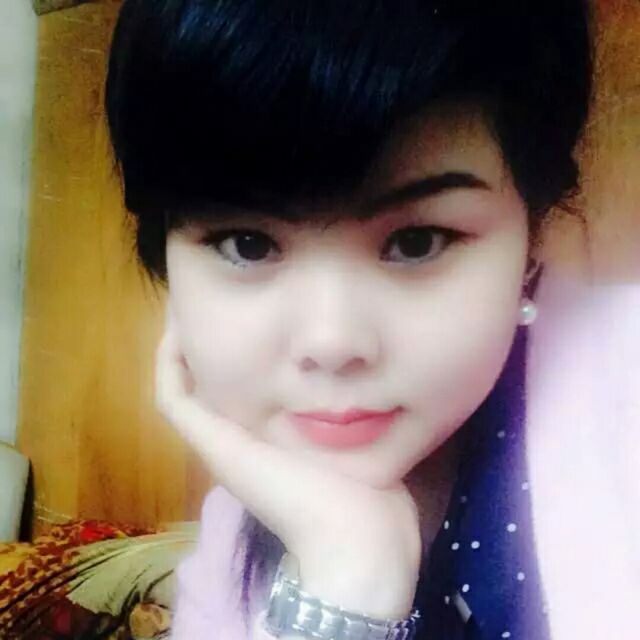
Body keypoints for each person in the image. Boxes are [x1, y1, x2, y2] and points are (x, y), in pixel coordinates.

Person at [104, 1, 593, 638]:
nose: (331, 342)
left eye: (416, 242)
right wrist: (344, 586)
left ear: (534, 238)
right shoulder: (231, 542)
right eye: (248, 244)